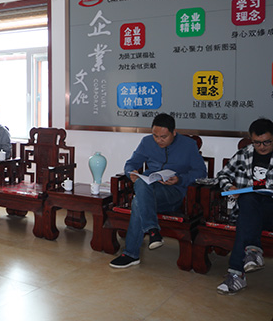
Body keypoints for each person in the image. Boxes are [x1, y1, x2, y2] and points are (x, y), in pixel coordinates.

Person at [109, 113, 207, 268]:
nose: (159, 140)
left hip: (173, 193)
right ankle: (153, 230)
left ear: (174, 132)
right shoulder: (147, 142)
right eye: (155, 136)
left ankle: (132, 253)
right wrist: (131, 172)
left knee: (138, 201)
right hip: (149, 188)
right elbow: (131, 163)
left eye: (163, 137)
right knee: (140, 189)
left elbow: (201, 172)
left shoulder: (188, 145)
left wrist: (179, 179)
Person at [216, 118, 273, 295]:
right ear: (251, 140)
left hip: (270, 212)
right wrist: (229, 187)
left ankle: (237, 275)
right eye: (257, 142)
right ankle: (252, 252)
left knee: (247, 217)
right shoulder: (244, 154)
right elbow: (222, 175)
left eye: (267, 142)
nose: (262, 147)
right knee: (248, 200)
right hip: (248, 210)